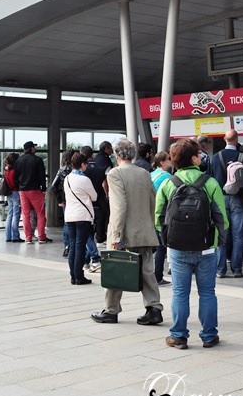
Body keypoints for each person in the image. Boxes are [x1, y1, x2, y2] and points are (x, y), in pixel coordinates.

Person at [155, 138, 227, 350]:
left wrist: (168, 238)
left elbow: (158, 216)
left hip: (177, 248)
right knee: (207, 292)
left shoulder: (169, 183)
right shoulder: (210, 183)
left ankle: (178, 336)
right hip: (206, 247)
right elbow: (222, 217)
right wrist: (217, 241)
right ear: (194, 158)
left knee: (179, 292)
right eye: (199, 154)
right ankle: (209, 336)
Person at [91, 138, 164, 325]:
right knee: (147, 271)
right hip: (144, 231)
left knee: (115, 269)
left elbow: (119, 206)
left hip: (124, 233)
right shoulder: (144, 173)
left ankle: (111, 310)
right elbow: (152, 201)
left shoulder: (115, 174)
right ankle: (154, 308)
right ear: (133, 154)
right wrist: (150, 226)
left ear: (116, 155)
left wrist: (116, 235)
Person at [211, 129, 243, 279]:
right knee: (238, 235)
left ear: (224, 139)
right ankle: (237, 269)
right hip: (238, 199)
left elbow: (211, 179)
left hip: (220, 198)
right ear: (237, 139)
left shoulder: (216, 157)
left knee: (221, 234)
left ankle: (220, 270)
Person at [63, 152, 96, 285]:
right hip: (83, 216)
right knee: (80, 246)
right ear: (82, 164)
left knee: (72, 245)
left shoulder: (67, 178)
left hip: (70, 215)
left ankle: (73, 276)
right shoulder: (84, 179)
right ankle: (79, 276)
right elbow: (94, 196)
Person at [14, 141, 52, 243]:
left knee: (25, 215)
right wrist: (43, 188)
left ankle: (28, 238)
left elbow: (15, 177)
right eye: (34, 147)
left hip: (23, 191)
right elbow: (42, 176)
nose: (35, 148)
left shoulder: (19, 160)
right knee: (40, 214)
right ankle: (41, 237)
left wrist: (19, 187)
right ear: (31, 148)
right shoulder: (38, 160)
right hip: (35, 190)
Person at [81, 145, 105, 271]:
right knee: (91, 232)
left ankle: (94, 259)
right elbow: (104, 185)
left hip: (87, 204)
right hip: (99, 203)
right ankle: (86, 261)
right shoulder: (100, 169)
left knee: (88, 233)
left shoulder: (83, 172)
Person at [150, 151, 173, 286]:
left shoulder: (151, 174)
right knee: (161, 247)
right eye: (168, 159)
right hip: (161, 214)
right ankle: (158, 276)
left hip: (149, 213)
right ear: (162, 162)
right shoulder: (167, 177)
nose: (171, 161)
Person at [51, 150, 76, 257]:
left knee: (67, 223)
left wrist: (59, 200)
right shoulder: (75, 169)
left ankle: (67, 246)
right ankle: (74, 245)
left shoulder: (61, 170)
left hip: (65, 200)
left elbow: (53, 186)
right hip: (76, 198)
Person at [3, 153, 22, 243]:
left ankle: (8, 236)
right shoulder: (15, 170)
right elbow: (17, 182)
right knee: (16, 214)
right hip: (15, 192)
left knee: (10, 214)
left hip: (9, 193)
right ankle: (15, 236)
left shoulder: (6, 170)